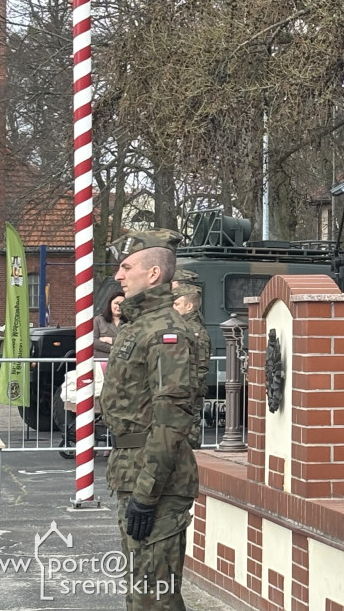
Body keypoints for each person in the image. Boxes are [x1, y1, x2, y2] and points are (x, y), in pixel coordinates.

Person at [99, 229, 198, 611]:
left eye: (126, 267)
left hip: (155, 479)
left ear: (153, 274)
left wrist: (146, 492)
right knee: (141, 592)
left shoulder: (164, 331)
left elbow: (171, 421)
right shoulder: (137, 326)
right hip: (133, 472)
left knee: (154, 599)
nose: (119, 276)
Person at [172, 283, 211, 449]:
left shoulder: (196, 332)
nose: (173, 308)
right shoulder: (181, 327)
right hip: (179, 390)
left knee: (189, 438)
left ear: (189, 306)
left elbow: (200, 367)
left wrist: (189, 390)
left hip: (189, 393)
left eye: (176, 304)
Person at [93, 290, 124, 358]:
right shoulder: (99, 320)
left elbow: (131, 342)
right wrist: (112, 349)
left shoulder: (129, 322)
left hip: (121, 362)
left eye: (122, 304)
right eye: (116, 303)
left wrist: (109, 340)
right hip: (102, 361)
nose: (118, 306)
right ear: (110, 304)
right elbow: (93, 341)